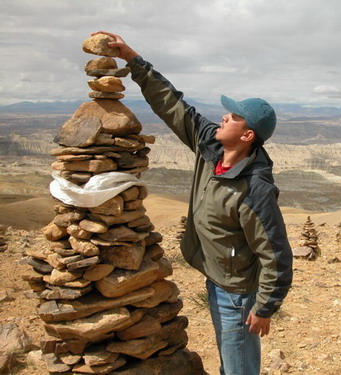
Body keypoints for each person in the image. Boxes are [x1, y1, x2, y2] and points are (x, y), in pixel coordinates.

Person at [93, 31, 293, 375]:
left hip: (237, 293)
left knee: (238, 366)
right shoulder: (210, 147)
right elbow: (172, 104)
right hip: (217, 280)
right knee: (231, 358)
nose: (224, 116)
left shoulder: (255, 189)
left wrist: (264, 308)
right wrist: (133, 59)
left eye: (234, 116)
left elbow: (276, 254)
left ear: (247, 137)